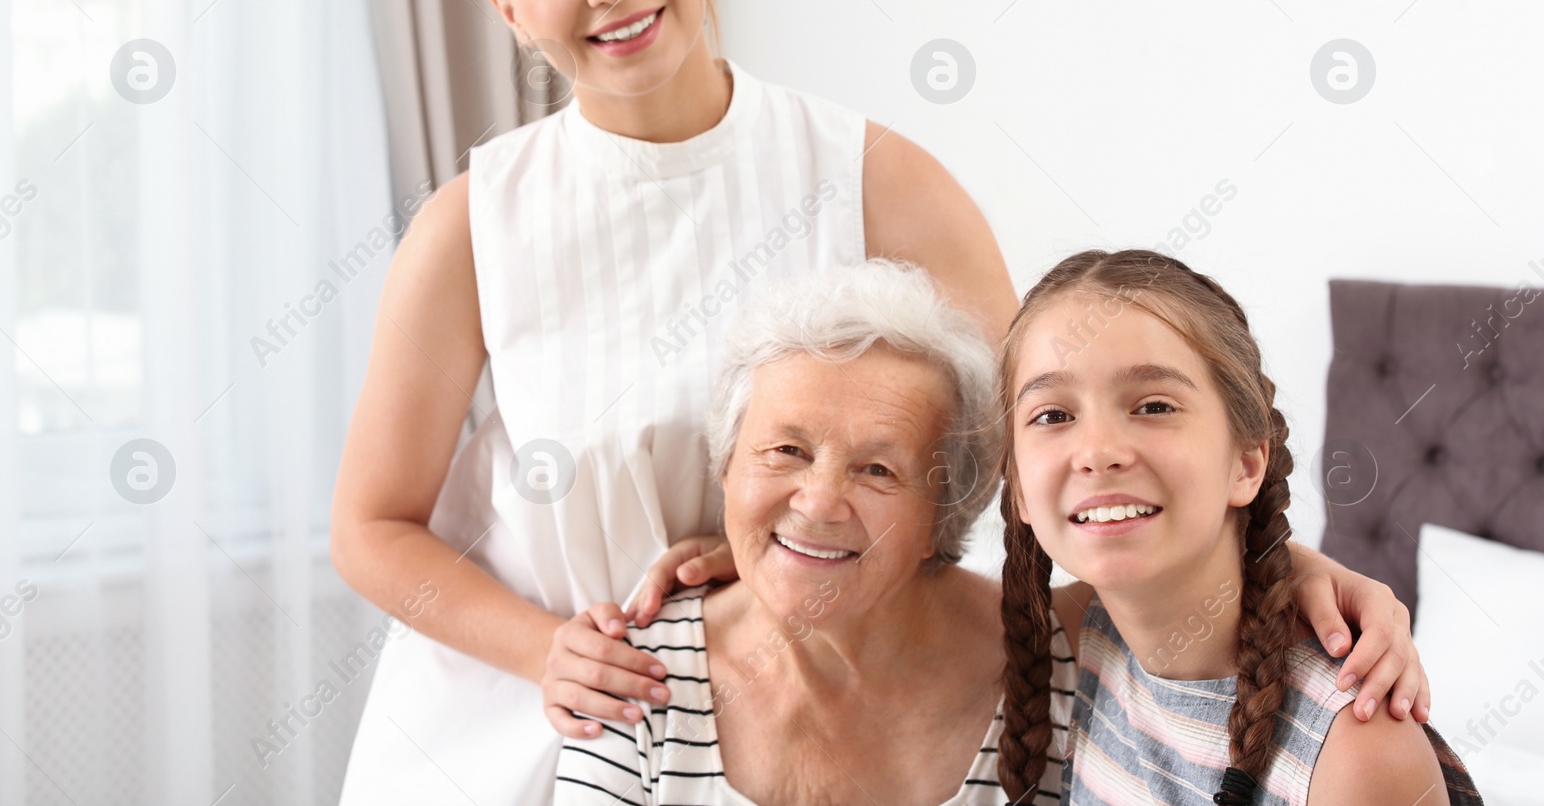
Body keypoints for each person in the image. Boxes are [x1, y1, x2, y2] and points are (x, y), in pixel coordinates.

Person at [329, 0, 1014, 805]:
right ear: (505, 3)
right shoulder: (471, 224)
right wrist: (549, 651)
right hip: (519, 717)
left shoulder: (870, 175)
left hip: (780, 716)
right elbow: (369, 525)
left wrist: (1260, 571)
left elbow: (1026, 444)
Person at [558, 262, 1442, 805]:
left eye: (878, 468)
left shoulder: (1052, 655)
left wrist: (1300, 565)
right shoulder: (633, 677)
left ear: (942, 522)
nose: (820, 499)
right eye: (783, 452)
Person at [996, 249, 1482, 805]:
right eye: (1053, 416)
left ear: (1247, 464)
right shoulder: (1072, 640)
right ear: (1017, 484)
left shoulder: (1358, 748)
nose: (1097, 452)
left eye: (1154, 406)